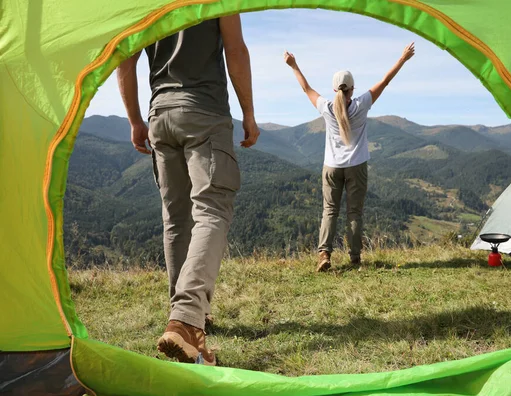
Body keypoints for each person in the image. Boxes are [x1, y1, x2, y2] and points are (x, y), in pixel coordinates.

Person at [117, 15, 260, 365]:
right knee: (211, 211)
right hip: (204, 112)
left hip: (160, 115)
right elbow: (236, 50)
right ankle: (186, 321)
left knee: (177, 220)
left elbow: (125, 56)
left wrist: (136, 119)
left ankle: (183, 315)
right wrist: (249, 114)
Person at [284, 43, 415, 272]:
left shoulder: (326, 107)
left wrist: (294, 65)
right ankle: (355, 258)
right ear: (352, 89)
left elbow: (306, 89)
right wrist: (402, 58)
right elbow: (385, 80)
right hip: (356, 166)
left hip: (331, 167)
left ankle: (324, 254)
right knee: (354, 213)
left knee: (330, 211)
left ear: (335, 90)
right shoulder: (362, 105)